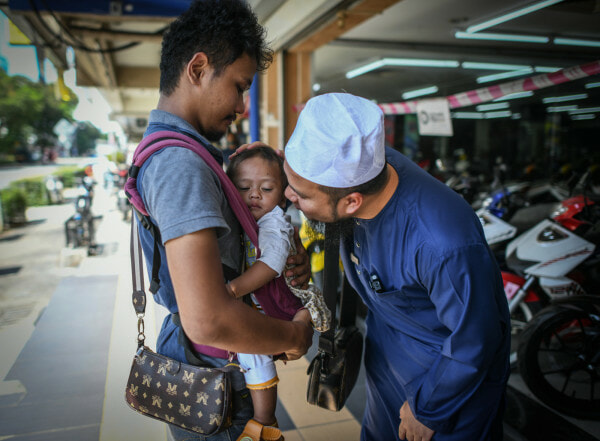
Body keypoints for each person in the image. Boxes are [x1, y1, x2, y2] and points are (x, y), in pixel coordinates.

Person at [283, 93, 511, 441]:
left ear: (352, 202)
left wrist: (429, 408)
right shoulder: (363, 169)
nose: (288, 195)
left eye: (301, 194)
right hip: (388, 356)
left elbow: (476, 337)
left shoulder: (442, 242)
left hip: (448, 382)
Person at [134, 1, 313, 440]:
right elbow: (208, 318)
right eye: (238, 86)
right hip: (218, 379)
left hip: (209, 370)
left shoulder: (178, 153)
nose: (241, 106)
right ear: (197, 68)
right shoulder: (182, 165)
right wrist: (292, 336)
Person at [224, 146, 331, 438]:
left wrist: (232, 290)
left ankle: (265, 419)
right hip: (260, 302)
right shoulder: (243, 217)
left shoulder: (274, 223)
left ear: (283, 193)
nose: (254, 194)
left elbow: (271, 264)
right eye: (244, 187)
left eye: (267, 188)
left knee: (253, 353)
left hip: (270, 302)